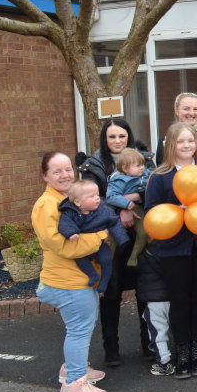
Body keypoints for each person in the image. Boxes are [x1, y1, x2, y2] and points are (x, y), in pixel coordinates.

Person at [144, 122, 197, 379]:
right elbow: (150, 213)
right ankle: (182, 350)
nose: (186, 146)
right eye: (180, 141)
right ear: (170, 145)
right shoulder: (159, 176)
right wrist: (175, 208)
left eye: (190, 141)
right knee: (180, 299)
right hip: (173, 248)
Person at [77, 118, 154, 366]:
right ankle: (111, 348)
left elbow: (154, 187)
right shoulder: (94, 165)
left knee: (146, 288)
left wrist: (128, 202)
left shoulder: (143, 158)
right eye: (112, 137)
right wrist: (119, 210)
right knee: (112, 292)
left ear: (129, 137)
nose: (117, 141)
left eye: (122, 136)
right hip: (110, 235)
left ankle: (148, 344)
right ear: (104, 139)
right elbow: (91, 200)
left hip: (142, 231)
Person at [33, 151, 108, 392]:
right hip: (66, 281)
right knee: (79, 328)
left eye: (68, 169)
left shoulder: (67, 200)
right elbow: (63, 247)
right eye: (57, 171)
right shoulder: (48, 205)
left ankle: (73, 368)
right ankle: (74, 384)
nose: (65, 175)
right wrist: (100, 236)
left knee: (80, 327)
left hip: (74, 279)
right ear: (45, 176)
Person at [58, 180, 130, 294]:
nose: (97, 198)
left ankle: (104, 282)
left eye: (97, 195)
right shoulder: (70, 212)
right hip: (83, 245)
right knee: (80, 260)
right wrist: (71, 233)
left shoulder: (104, 210)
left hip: (101, 244)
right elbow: (64, 223)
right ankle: (93, 275)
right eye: (92, 196)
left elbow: (114, 221)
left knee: (106, 260)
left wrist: (122, 239)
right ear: (78, 202)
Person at [106, 148, 151, 265]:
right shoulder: (119, 180)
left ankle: (134, 257)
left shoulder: (145, 173)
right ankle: (109, 259)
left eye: (142, 164)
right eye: (137, 165)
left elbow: (156, 177)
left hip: (140, 209)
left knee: (143, 232)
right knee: (117, 235)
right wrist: (125, 203)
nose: (142, 167)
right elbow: (111, 196)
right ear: (125, 169)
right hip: (125, 209)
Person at [136, 241, 174, 376]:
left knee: (158, 333)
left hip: (154, 301)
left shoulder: (142, 254)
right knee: (181, 329)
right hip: (173, 297)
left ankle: (164, 363)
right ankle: (185, 358)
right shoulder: (171, 249)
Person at [155, 93, 197, 165]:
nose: (191, 113)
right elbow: (163, 172)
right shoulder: (165, 142)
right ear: (176, 111)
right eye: (186, 109)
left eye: (195, 109)